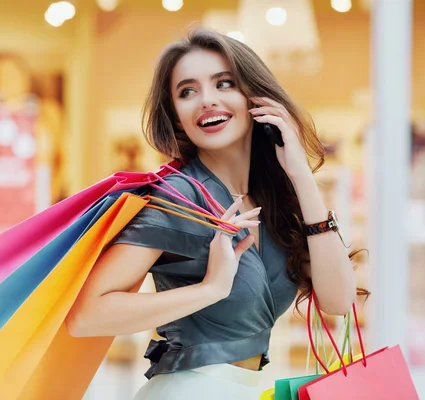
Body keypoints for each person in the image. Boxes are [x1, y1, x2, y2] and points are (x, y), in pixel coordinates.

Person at [66, 28, 357, 399]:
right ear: (176, 116)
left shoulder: (272, 198)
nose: (206, 100)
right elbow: (86, 316)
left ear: (255, 97)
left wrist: (301, 176)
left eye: (224, 84)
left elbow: (338, 301)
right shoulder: (179, 196)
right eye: (187, 92)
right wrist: (210, 289)